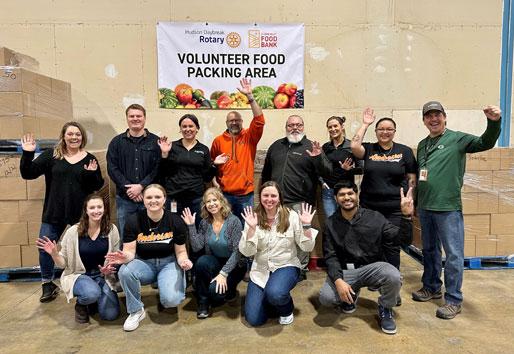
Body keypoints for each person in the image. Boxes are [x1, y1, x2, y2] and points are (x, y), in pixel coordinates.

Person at [412, 102, 501, 320]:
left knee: (453, 255)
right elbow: (421, 175)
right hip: (425, 206)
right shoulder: (423, 144)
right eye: (429, 116)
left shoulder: (458, 139)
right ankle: (432, 287)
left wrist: (494, 122)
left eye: (437, 115)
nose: (433, 119)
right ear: (424, 120)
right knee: (430, 250)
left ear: (445, 117)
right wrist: (415, 204)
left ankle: (453, 299)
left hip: (448, 208)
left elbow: (485, 142)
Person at [20, 122, 104, 303]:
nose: (74, 137)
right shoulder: (52, 155)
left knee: (84, 249)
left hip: (80, 214)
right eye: (70, 134)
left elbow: (97, 186)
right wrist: (27, 153)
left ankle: (87, 278)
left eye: (78, 134)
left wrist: (91, 174)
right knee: (45, 249)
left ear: (82, 137)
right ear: (63, 136)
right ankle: (47, 284)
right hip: (54, 212)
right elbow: (28, 173)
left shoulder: (89, 158)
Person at [319, 181, 413, 335]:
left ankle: (385, 307)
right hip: (346, 272)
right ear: (336, 199)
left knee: (393, 275)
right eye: (342, 194)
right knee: (326, 298)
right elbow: (330, 256)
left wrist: (406, 216)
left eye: (350, 193)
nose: (347, 197)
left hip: (372, 269)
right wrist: (338, 281)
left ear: (357, 196)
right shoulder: (330, 224)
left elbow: (402, 241)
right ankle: (350, 295)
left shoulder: (375, 218)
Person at [105, 184, 193, 331]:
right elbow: (130, 252)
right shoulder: (133, 221)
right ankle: (136, 311)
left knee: (171, 301)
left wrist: (184, 261)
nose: (153, 200)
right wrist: (123, 258)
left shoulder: (175, 221)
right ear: (144, 200)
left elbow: (181, 251)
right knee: (125, 271)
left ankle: (168, 284)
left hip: (168, 263)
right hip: (144, 263)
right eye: (149, 197)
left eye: (157, 197)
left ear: (164, 199)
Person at [261, 115, 331, 275]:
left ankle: (301, 269)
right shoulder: (276, 146)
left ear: (303, 126)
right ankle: (278, 267)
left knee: (301, 236)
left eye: (298, 125)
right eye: (291, 125)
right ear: (286, 127)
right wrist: (265, 195)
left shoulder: (311, 146)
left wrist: (318, 157)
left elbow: (327, 172)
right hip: (276, 202)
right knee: (277, 235)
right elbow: (266, 174)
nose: (295, 128)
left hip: (302, 201)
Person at [239, 181, 317, 326]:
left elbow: (307, 247)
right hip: (260, 271)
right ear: (260, 197)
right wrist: (251, 229)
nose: (269, 199)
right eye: (265, 195)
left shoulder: (291, 216)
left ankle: (286, 310)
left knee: (275, 293)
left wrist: (306, 225)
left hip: (286, 265)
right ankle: (272, 300)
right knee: (255, 320)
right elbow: (247, 251)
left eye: (273, 195)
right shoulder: (253, 218)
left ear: (279, 198)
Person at [36, 193, 121, 323]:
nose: (96, 211)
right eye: (92, 208)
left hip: (102, 276)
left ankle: (93, 301)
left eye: (100, 207)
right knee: (91, 293)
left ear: (104, 209)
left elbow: (115, 257)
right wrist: (54, 253)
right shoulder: (73, 232)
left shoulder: (111, 229)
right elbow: (62, 264)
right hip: (79, 276)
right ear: (86, 211)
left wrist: (109, 268)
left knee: (111, 315)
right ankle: (82, 304)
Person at [351, 108, 417, 270]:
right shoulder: (369, 149)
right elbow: (354, 146)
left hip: (394, 208)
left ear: (394, 132)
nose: (385, 132)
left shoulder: (404, 151)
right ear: (376, 131)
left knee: (392, 244)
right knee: (371, 242)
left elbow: (412, 178)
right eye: (381, 129)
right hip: (370, 207)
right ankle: (376, 276)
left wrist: (411, 201)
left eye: (389, 129)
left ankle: (392, 278)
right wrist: (365, 124)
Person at [181, 187, 246, 319]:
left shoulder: (234, 221)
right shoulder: (205, 222)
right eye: (208, 201)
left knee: (216, 294)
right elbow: (197, 246)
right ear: (205, 205)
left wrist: (223, 274)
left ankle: (230, 289)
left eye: (214, 200)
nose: (211, 204)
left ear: (222, 202)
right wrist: (191, 226)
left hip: (234, 266)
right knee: (202, 261)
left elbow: (237, 252)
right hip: (215, 261)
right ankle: (203, 302)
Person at [210, 78, 264, 225]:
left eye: (237, 120)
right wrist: (215, 182)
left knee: (247, 229)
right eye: (231, 120)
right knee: (226, 229)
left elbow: (259, 120)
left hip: (246, 196)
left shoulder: (249, 137)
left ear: (242, 122)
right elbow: (211, 165)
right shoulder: (218, 140)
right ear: (226, 123)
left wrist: (250, 97)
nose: (234, 122)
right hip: (224, 195)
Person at [158, 114, 226, 224]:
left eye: (191, 126)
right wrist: (164, 153)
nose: (187, 129)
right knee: (175, 228)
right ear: (180, 129)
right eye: (184, 127)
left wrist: (215, 165)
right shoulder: (171, 146)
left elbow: (207, 177)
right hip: (174, 198)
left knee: (196, 228)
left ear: (197, 128)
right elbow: (163, 172)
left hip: (196, 198)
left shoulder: (203, 149)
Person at [107, 103, 160, 242]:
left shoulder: (155, 142)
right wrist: (129, 188)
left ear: (145, 118)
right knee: (126, 236)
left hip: (150, 199)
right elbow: (112, 168)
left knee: (150, 238)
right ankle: (127, 263)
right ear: (127, 119)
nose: (135, 118)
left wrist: (141, 187)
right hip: (125, 199)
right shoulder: (116, 142)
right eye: (132, 116)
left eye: (139, 116)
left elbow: (158, 168)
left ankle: (146, 263)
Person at [321, 115, 362, 219]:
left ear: (342, 126)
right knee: (331, 223)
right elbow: (319, 168)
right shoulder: (325, 147)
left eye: (335, 126)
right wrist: (322, 182)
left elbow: (362, 168)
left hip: (346, 192)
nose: (333, 129)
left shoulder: (351, 146)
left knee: (349, 222)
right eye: (330, 127)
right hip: (329, 191)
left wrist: (350, 170)